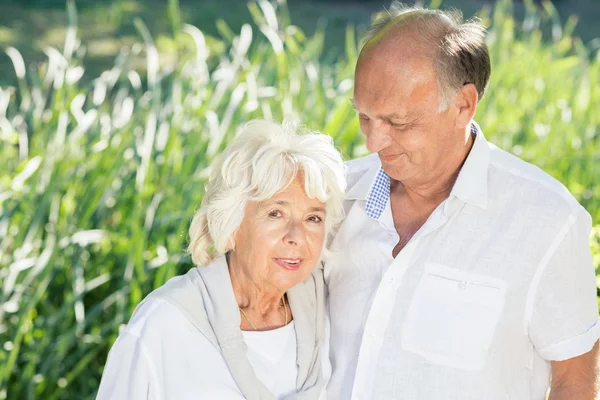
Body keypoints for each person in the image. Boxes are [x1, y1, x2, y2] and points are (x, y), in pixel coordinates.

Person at [324, 3, 599, 399]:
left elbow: (575, 379)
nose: (373, 141)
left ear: (463, 106)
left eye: (398, 122)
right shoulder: (328, 198)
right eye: (365, 117)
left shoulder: (548, 220)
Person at [96, 119, 346, 400]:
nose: (296, 236)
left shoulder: (326, 311)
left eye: (313, 218)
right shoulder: (163, 326)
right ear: (231, 226)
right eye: (276, 213)